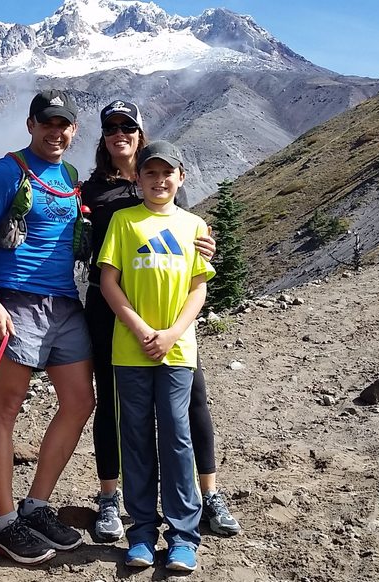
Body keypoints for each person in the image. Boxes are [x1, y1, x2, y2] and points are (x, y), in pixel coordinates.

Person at [83, 100, 241, 542]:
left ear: (140, 131)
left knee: (193, 401)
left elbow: (192, 239)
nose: (120, 132)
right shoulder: (91, 190)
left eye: (127, 126)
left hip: (171, 314)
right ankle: (110, 499)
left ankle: (208, 494)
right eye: (111, 126)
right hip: (109, 306)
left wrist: (211, 252)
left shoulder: (164, 176)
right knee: (114, 404)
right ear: (103, 135)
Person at [0, 90, 95, 565]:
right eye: (47, 123)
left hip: (64, 304)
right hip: (17, 302)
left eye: (64, 125)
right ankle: (5, 520)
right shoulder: (7, 172)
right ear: (31, 125)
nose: (56, 132)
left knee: (80, 402)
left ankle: (36, 506)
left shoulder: (70, 176)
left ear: (73, 130)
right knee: (6, 408)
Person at [97, 140, 213, 572]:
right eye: (150, 173)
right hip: (130, 348)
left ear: (180, 178)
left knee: (177, 436)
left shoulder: (195, 226)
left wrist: (172, 333)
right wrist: (144, 330)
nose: (159, 180)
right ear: (138, 179)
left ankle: (184, 535)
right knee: (137, 439)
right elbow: (110, 282)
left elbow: (198, 288)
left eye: (167, 173)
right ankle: (142, 533)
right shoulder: (125, 223)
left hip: (178, 350)